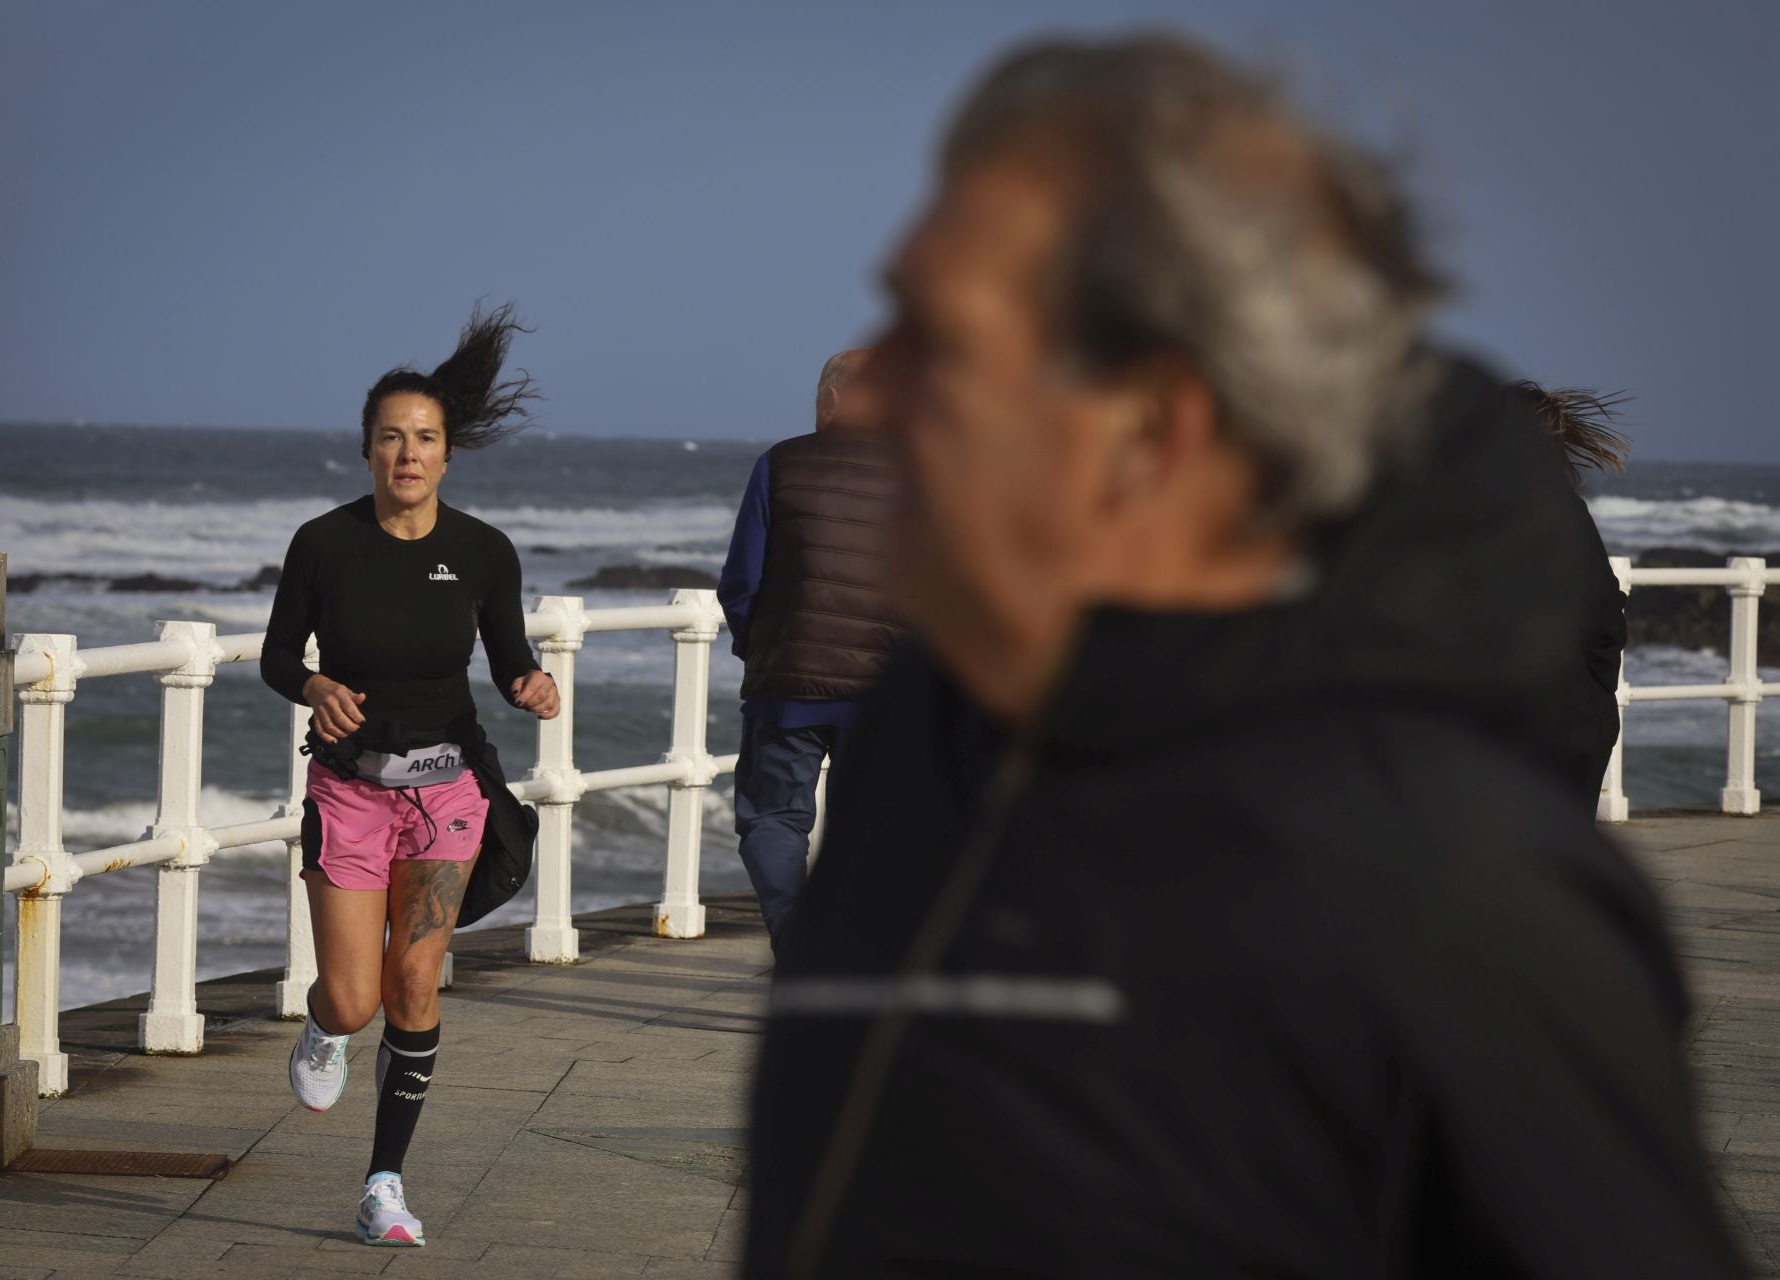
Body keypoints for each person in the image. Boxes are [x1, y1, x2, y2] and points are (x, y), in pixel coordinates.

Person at [745, 35, 1742, 1278]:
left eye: (942, 337)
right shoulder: (916, 743)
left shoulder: (1451, 888)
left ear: (1158, 424)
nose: (873, 385)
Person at [260, 307, 559, 1248]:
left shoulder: (482, 552)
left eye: (425, 439)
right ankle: (323, 1029)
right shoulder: (324, 543)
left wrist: (531, 682)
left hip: (448, 793)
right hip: (349, 790)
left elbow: (509, 659)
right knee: (354, 997)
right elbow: (276, 656)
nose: (408, 454)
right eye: (391, 438)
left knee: (416, 982)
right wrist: (313, 684)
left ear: (448, 453)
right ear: (366, 450)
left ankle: (383, 1182)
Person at [717, 349, 902, 950]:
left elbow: (740, 581)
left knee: (773, 817)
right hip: (884, 690)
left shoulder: (780, 464)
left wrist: (763, 650)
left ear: (831, 399)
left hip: (787, 685)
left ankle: (797, 943)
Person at [1520, 381, 1632, 812]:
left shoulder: (1461, 520)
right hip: (1569, 719)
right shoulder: (1563, 510)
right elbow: (1605, 614)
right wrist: (1597, 691)